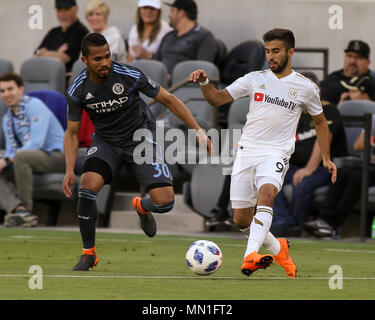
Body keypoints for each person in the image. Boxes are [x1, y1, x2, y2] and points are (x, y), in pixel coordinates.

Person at [190, 28, 337, 278]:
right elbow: (216, 99)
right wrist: (204, 82)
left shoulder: (306, 87)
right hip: (247, 152)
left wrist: (325, 158)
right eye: (268, 51)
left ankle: (250, 257)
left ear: (290, 52)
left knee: (267, 194)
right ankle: (279, 248)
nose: (271, 56)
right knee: (241, 220)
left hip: (276, 153)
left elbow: (321, 122)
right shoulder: (254, 78)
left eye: (276, 51)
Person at [63, 33, 212, 271]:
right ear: (85, 60)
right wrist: (69, 169)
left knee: (165, 203)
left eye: (108, 56)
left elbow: (169, 99)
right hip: (106, 143)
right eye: (98, 59)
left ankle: (142, 206)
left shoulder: (129, 75)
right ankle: (88, 253)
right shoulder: (78, 89)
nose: (105, 63)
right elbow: (71, 133)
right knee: (87, 189)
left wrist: (197, 130)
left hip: (139, 139)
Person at [271, 72, 347, 237]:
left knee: (302, 184)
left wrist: (308, 169)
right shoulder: (294, 111)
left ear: (317, 91)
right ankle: (282, 223)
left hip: (324, 168)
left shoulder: (328, 109)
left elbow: (323, 140)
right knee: (270, 177)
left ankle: (298, 227)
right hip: (295, 165)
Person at [0, 73, 65, 227]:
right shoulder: (7, 118)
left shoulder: (34, 105)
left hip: (58, 156)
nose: (6, 94)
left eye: (10, 89)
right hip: (30, 158)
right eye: (2, 91)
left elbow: (36, 142)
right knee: (12, 160)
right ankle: (18, 209)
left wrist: (7, 159)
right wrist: (4, 160)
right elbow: (11, 150)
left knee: (21, 156)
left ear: (21, 89)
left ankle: (26, 214)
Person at [304, 130, 375, 238]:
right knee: (341, 173)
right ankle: (324, 219)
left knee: (356, 177)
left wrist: (371, 141)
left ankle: (332, 224)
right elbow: (358, 145)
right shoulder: (373, 119)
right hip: (368, 163)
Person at [154, 0, 217, 81]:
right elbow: (156, 61)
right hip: (158, 86)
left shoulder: (204, 36)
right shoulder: (168, 36)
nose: (169, 15)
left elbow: (202, 70)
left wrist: (173, 78)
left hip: (183, 87)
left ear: (182, 13)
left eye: (172, 11)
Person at [34, 0, 89, 75]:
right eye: (59, 10)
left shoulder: (81, 32)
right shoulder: (53, 32)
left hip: (65, 80)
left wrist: (42, 52)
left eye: (66, 10)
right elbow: (34, 57)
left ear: (76, 9)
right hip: (44, 75)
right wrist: (55, 54)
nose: (63, 14)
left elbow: (62, 58)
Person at [320, 40, 375, 106]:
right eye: (349, 56)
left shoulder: (370, 84)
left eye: (359, 57)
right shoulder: (332, 78)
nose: (352, 61)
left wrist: (367, 103)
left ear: (368, 63)